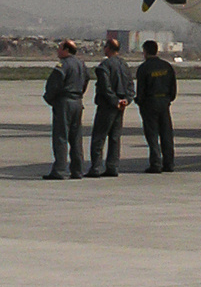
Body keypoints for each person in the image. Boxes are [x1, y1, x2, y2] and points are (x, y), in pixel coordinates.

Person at [87, 37, 134, 177]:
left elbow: (105, 87)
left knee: (99, 138)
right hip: (120, 106)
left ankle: (95, 168)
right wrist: (126, 100)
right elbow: (130, 85)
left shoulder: (104, 66)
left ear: (108, 48)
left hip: (108, 106)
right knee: (115, 138)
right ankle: (112, 167)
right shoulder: (124, 65)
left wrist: (114, 101)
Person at [42, 40, 89, 180]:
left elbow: (54, 85)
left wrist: (50, 99)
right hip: (77, 102)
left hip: (65, 102)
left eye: (60, 48)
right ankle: (77, 170)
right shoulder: (81, 64)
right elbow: (86, 81)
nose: (58, 51)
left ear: (66, 50)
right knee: (76, 138)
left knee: (61, 136)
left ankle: (60, 170)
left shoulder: (63, 65)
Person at [136, 40, 177, 173]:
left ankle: (156, 163)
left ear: (145, 51)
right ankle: (169, 163)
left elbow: (140, 90)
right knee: (166, 134)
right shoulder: (167, 66)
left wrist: (139, 101)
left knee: (152, 135)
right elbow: (173, 88)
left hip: (149, 103)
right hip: (164, 102)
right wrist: (167, 99)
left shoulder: (144, 68)